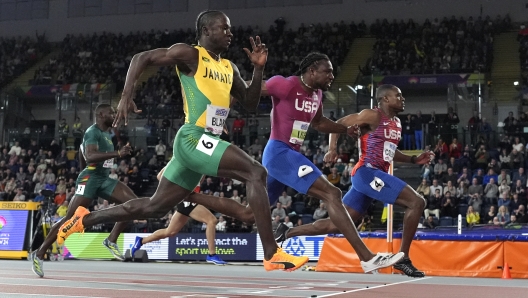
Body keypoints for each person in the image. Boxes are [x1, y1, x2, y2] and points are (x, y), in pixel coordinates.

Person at [57, 10, 308, 272]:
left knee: (154, 207)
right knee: (256, 172)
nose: (230, 33)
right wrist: (125, 95)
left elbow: (250, 102)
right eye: (224, 28)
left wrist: (258, 70)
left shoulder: (229, 67)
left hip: (204, 142)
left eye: (230, 29)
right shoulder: (191, 54)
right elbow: (141, 57)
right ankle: (272, 253)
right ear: (206, 31)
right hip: (192, 138)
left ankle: (82, 221)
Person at [185, 52, 404, 273]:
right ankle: (367, 258)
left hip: (287, 156)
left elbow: (318, 122)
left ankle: (187, 196)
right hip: (279, 152)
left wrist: (343, 129)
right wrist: (218, 120)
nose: (332, 76)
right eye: (327, 71)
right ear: (311, 71)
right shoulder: (286, 84)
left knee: (249, 214)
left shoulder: (317, 94)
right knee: (332, 194)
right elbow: (244, 89)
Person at [274, 84, 434, 277]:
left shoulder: (397, 123)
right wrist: (332, 149)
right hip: (367, 173)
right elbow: (340, 123)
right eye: (398, 96)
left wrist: (413, 159)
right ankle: (404, 258)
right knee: (417, 202)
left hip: (372, 177)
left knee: (338, 223)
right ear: (385, 99)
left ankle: (287, 232)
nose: (403, 99)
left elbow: (389, 151)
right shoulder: (372, 115)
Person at [31, 104, 137, 278]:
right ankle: (40, 252)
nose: (113, 116)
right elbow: (91, 156)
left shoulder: (106, 134)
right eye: (111, 113)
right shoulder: (92, 132)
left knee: (134, 204)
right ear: (101, 115)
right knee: (70, 219)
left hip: (103, 178)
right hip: (91, 178)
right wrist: (117, 153)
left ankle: (111, 240)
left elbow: (82, 153)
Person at [131, 170, 227, 265]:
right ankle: (212, 254)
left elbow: (198, 182)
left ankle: (141, 241)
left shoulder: (199, 166)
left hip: (188, 201)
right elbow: (160, 176)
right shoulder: (182, 163)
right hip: (188, 202)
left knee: (170, 232)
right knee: (211, 220)